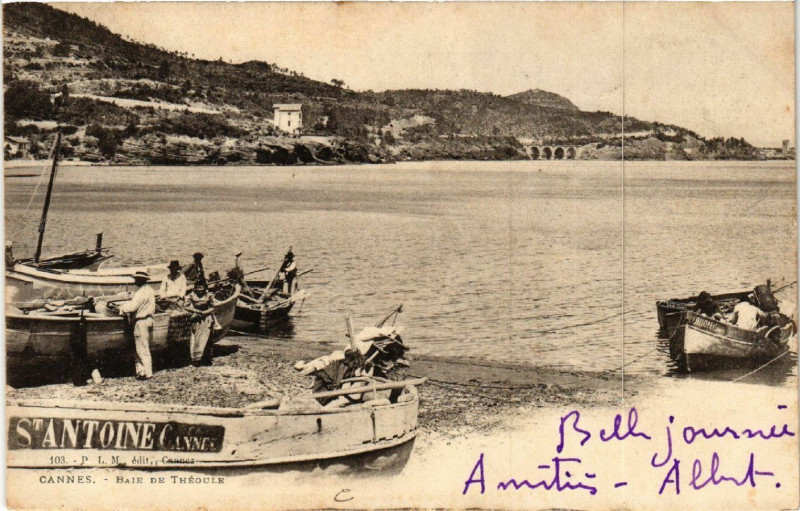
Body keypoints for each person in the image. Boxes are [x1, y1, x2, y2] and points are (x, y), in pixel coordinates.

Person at [119, 271, 156, 380]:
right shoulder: (150, 290)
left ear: (141, 280)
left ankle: (148, 373)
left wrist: (121, 308)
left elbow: (132, 308)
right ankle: (141, 371)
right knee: (144, 346)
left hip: (141, 321)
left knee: (141, 348)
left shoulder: (140, 293)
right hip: (149, 319)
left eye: (137, 279)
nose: (135, 281)